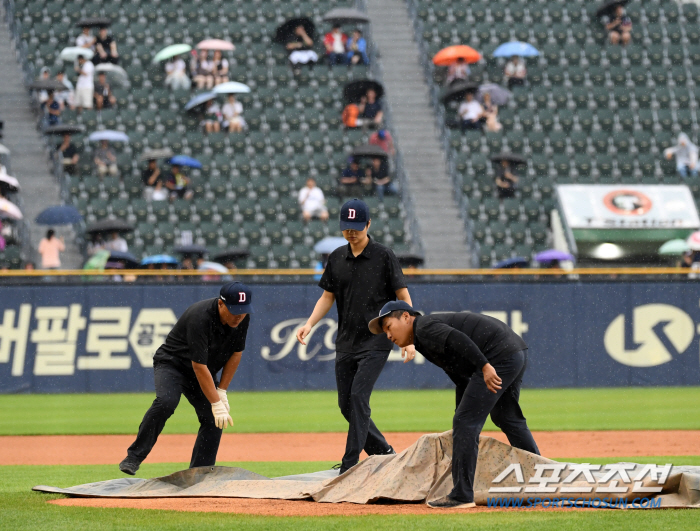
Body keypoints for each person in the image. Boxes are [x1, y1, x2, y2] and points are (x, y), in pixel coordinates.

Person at [369, 302, 540, 509]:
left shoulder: (423, 327)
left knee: (467, 422)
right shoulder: (423, 337)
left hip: (498, 355)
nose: (388, 335)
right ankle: (539, 478)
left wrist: (485, 367)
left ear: (406, 317)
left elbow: (460, 340)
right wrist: (460, 414)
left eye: (388, 326)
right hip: (513, 351)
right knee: (506, 417)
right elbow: (460, 375)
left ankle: (462, 495)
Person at [295, 199, 413, 474]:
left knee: (359, 397)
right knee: (346, 405)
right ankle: (383, 452)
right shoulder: (336, 257)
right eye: (347, 228)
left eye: (357, 228)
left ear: (369, 225)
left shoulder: (384, 256)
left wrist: (410, 338)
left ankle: (349, 464)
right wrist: (309, 323)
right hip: (346, 341)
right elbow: (327, 297)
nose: (352, 232)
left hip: (376, 340)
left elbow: (403, 297)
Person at [119, 282, 252, 475]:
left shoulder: (241, 319)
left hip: (202, 371)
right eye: (234, 310)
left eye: (244, 310)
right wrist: (216, 402)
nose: (239, 315)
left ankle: (199, 473)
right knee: (166, 402)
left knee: (212, 419)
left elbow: (236, 353)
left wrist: (222, 391)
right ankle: (133, 458)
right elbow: (198, 365)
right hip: (173, 365)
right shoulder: (200, 316)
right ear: (221, 304)